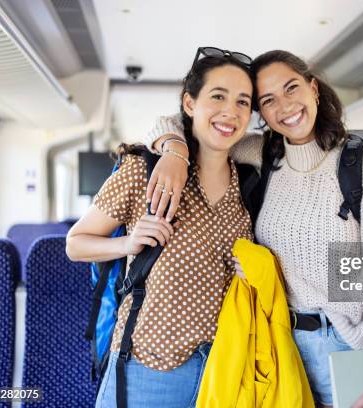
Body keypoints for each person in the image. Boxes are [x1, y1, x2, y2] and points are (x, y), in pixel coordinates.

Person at [143, 50, 363, 408]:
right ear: (261, 114)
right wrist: (175, 151)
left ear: (314, 89)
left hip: (351, 347)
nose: (285, 106)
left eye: (291, 89)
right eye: (268, 101)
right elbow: (188, 123)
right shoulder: (263, 155)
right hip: (282, 346)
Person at [65, 47, 254, 407]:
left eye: (243, 102)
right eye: (218, 96)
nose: (231, 111)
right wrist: (127, 245)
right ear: (189, 104)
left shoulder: (249, 182)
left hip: (227, 367)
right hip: (149, 365)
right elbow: (76, 243)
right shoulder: (143, 171)